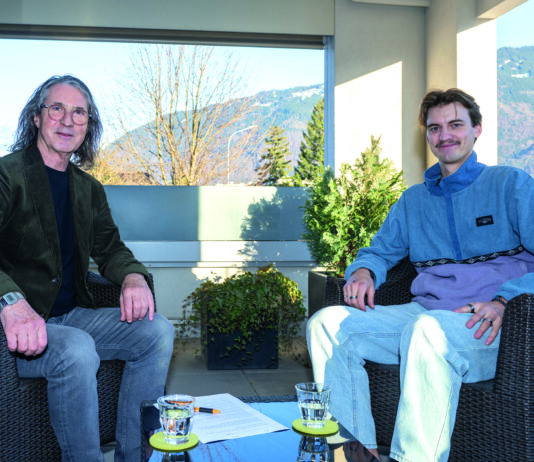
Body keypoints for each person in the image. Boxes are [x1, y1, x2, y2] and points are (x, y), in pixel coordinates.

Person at [307, 88, 534, 462]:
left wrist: (504, 300)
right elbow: (379, 251)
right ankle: (353, 453)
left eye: (455, 124)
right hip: (423, 316)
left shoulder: (510, 184)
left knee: (426, 330)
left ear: (477, 129)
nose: (444, 135)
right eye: (434, 128)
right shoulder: (413, 201)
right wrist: (363, 272)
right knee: (327, 324)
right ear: (427, 135)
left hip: (489, 325)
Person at [0, 75, 175, 462]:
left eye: (79, 112)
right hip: (14, 324)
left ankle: (135, 457)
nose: (67, 120)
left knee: (157, 331)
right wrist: (9, 300)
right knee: (77, 348)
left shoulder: (88, 188)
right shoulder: (6, 175)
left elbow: (111, 249)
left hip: (73, 314)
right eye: (56, 109)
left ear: (88, 124)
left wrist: (132, 277)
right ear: (36, 118)